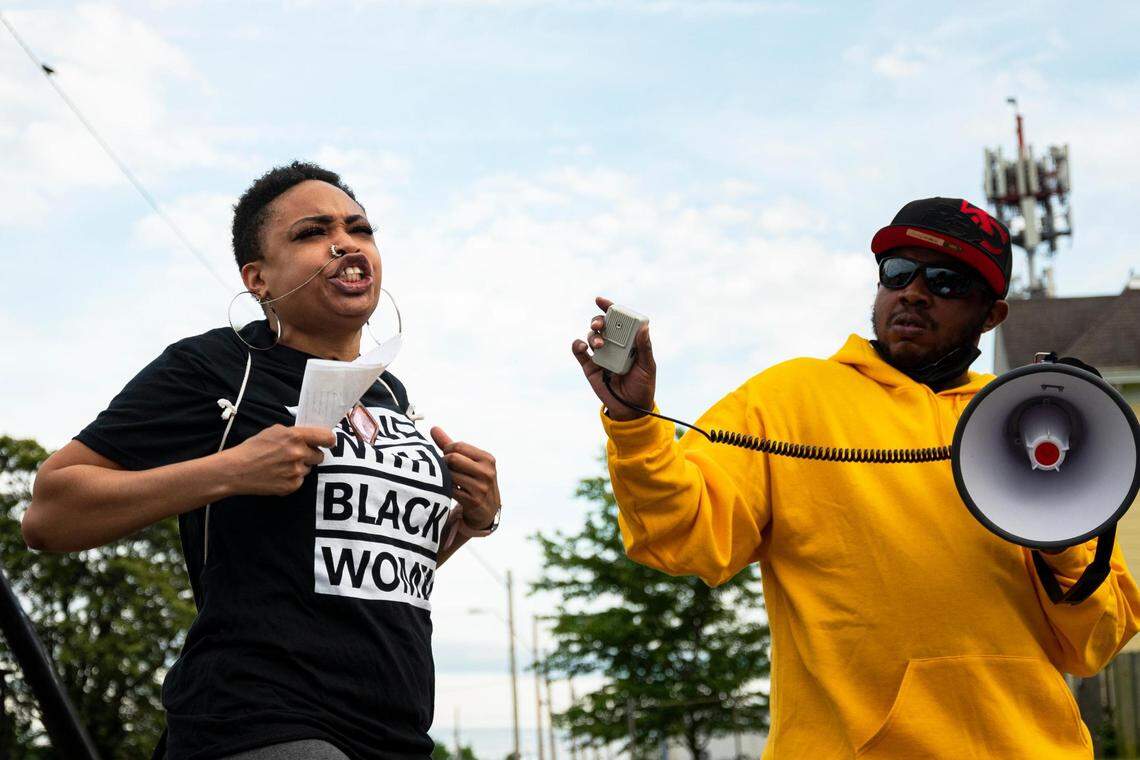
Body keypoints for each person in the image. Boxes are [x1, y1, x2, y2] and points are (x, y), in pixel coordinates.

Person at [572, 197, 1140, 758]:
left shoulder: (1030, 426)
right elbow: (682, 537)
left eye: (945, 281)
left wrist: (1060, 540)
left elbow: (1095, 644)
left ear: (991, 315)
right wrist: (635, 426)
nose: (913, 292)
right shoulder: (788, 398)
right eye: (897, 272)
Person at [23, 162, 502, 760]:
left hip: (394, 730)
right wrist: (230, 471)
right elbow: (49, 510)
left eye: (360, 229)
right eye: (310, 233)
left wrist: (475, 519)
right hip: (259, 719)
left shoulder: (388, 393)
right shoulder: (215, 366)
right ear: (259, 279)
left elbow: (362, 563)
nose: (345, 243)